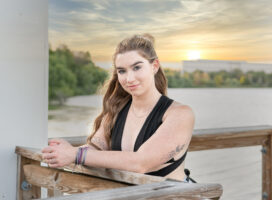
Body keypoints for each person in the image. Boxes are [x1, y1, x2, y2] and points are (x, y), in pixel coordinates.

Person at [42, 34, 195, 182]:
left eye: (137, 68)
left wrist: (75, 154)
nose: (129, 79)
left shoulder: (180, 114)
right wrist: (61, 152)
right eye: (122, 71)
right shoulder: (116, 110)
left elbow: (141, 163)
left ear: (154, 66)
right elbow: (95, 148)